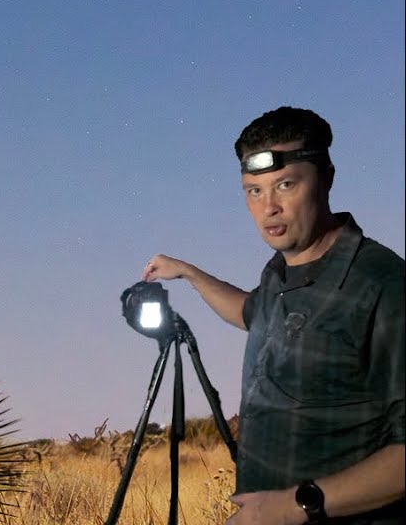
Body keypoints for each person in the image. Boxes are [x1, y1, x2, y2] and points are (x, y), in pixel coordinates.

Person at [142, 106, 404, 525]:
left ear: (327, 178)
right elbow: (252, 313)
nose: (270, 208)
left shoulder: (381, 285)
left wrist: (292, 506)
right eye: (254, 191)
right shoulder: (280, 273)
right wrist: (190, 274)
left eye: (285, 185)